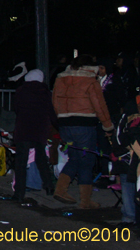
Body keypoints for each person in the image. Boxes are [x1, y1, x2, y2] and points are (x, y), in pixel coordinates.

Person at [52, 54, 114, 208]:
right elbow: (99, 105)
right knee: (87, 161)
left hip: (65, 124)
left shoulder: (60, 79)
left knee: (74, 158)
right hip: (85, 125)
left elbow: (54, 101)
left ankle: (60, 189)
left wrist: (61, 120)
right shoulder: (90, 81)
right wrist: (108, 126)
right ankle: (85, 201)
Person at [12, 69, 57, 202]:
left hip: (24, 129)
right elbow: (51, 111)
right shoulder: (45, 93)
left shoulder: (20, 91)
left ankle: (19, 193)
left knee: (21, 162)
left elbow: (16, 108)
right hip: (40, 129)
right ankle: (49, 186)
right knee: (41, 159)